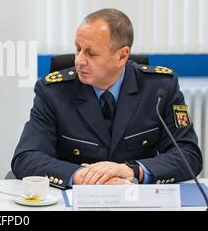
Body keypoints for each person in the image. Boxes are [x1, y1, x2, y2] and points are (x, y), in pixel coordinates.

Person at [11, 9, 202, 188]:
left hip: (136, 200)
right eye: (78, 49)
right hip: (72, 201)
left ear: (122, 55)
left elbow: (188, 155)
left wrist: (132, 170)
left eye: (91, 53)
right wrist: (81, 176)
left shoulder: (160, 89)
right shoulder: (54, 91)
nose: (79, 61)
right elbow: (26, 157)